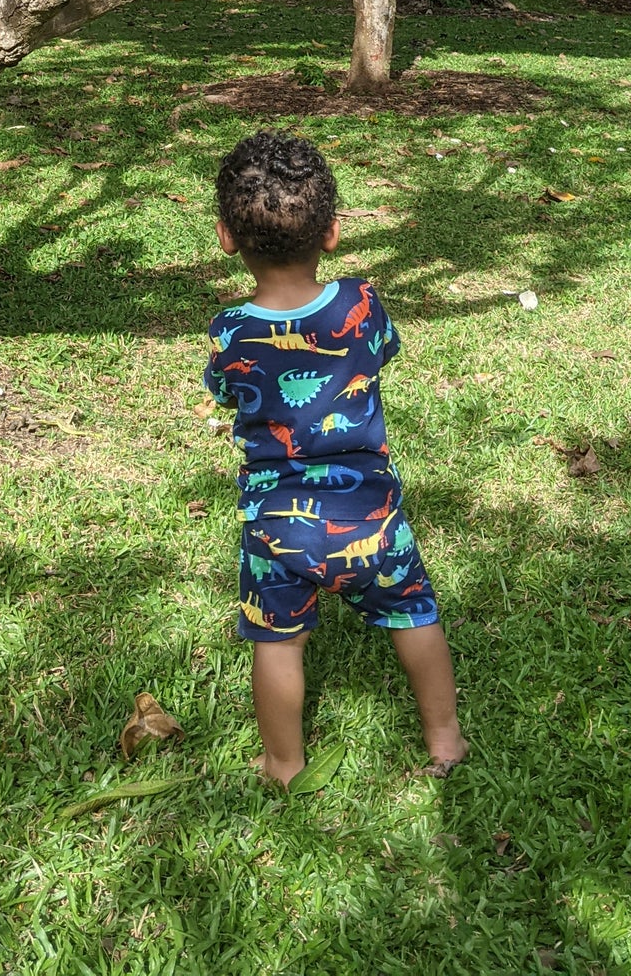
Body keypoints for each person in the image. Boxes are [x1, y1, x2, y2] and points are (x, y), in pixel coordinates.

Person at [203, 130, 467, 785]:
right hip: (370, 516)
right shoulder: (362, 304)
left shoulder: (230, 331)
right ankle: (444, 737)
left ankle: (284, 763)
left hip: (276, 527)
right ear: (333, 233)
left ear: (226, 238)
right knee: (416, 615)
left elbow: (225, 389)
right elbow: (381, 349)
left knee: (277, 643)